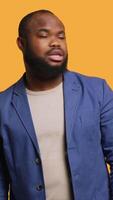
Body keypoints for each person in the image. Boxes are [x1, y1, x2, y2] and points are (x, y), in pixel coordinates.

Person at [0, 9, 113, 200]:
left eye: (61, 36)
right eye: (43, 35)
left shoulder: (97, 91)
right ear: (21, 43)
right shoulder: (3, 106)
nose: (55, 42)